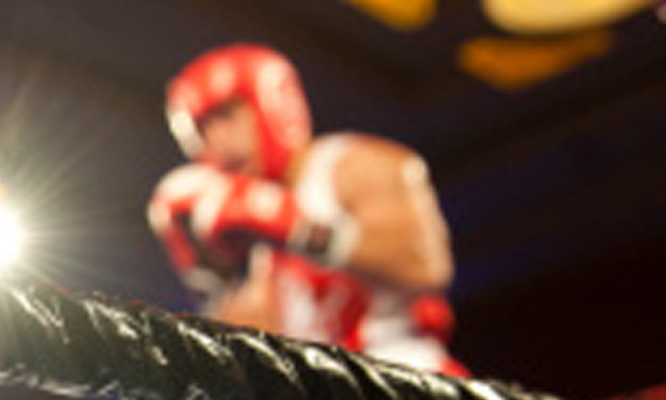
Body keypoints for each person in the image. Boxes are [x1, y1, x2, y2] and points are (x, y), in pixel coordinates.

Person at [146, 43, 468, 376]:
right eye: (202, 131)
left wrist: (294, 226)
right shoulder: (257, 238)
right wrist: (210, 280)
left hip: (410, 374)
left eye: (226, 116)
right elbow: (257, 346)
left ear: (269, 103)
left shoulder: (350, 165)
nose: (218, 141)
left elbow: (426, 266)